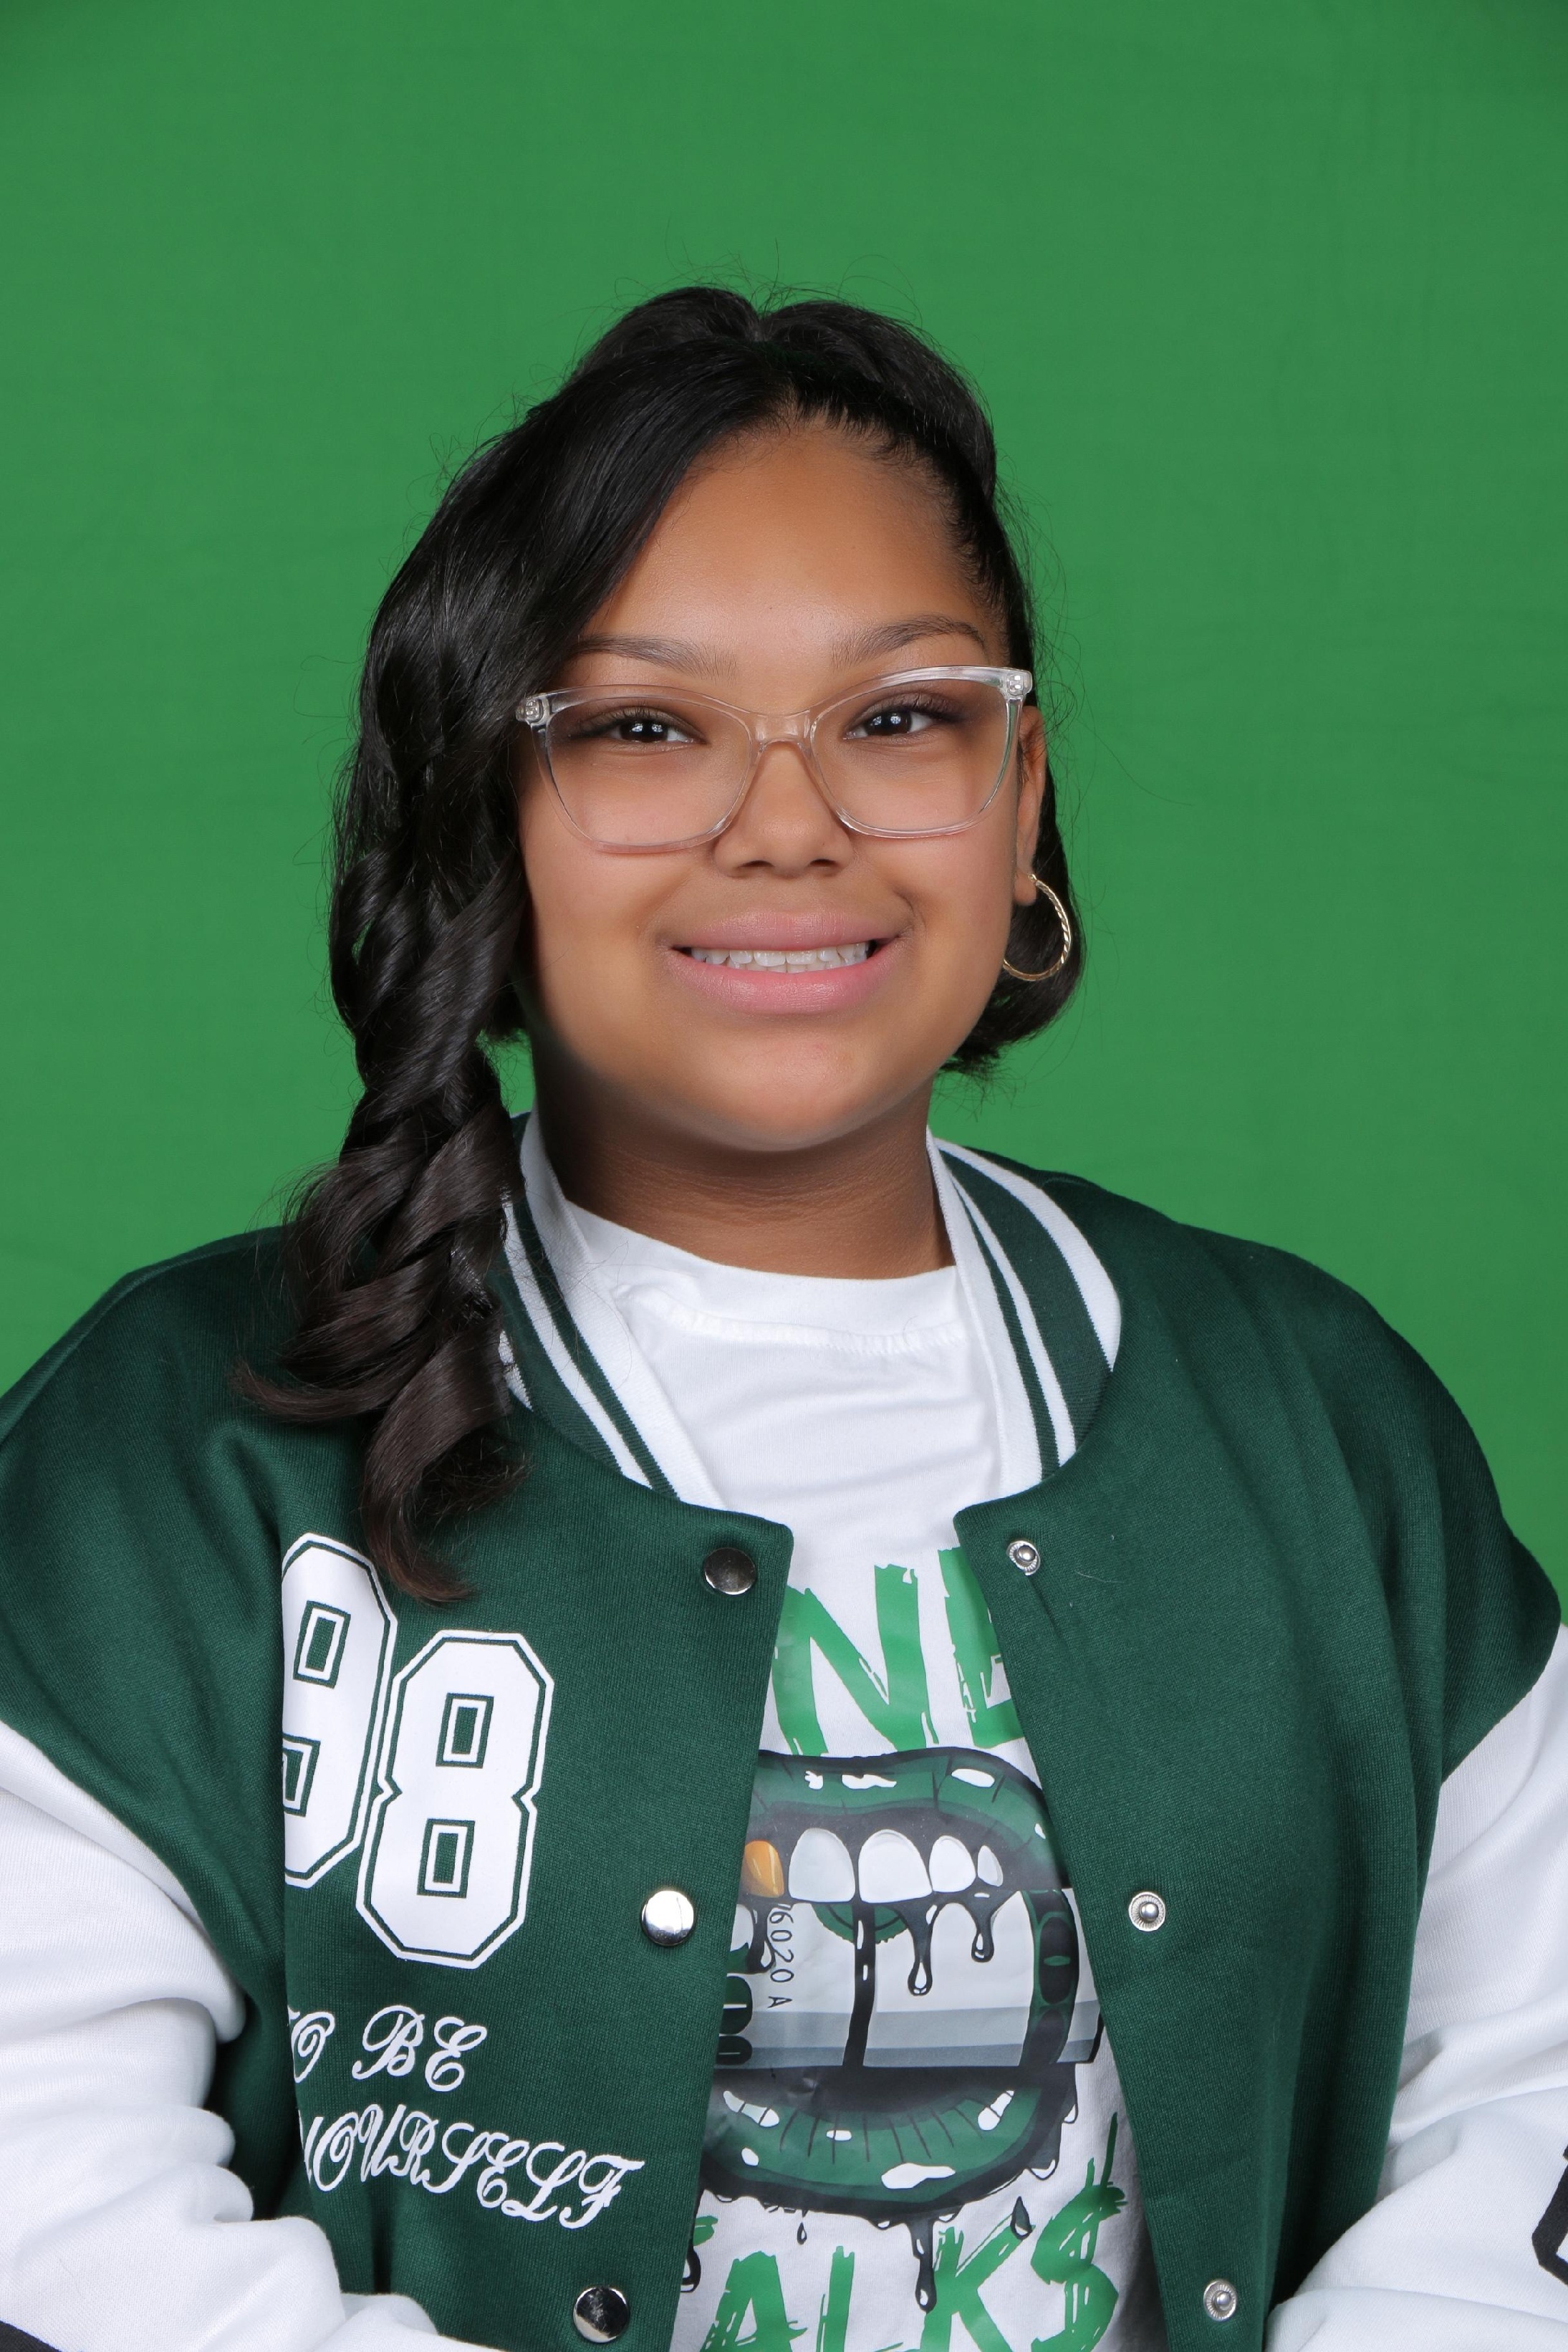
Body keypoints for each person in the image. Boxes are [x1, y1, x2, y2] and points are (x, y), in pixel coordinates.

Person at [0, 287, 1563, 2352]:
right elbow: (45, 2186)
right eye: (645, 728)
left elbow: (1534, 2082)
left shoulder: (1306, 1419)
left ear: (1023, 798)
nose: (790, 820)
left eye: (900, 718)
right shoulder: (185, 1444)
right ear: (486, 811)